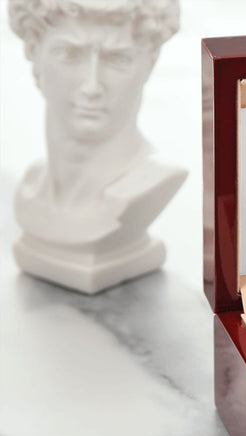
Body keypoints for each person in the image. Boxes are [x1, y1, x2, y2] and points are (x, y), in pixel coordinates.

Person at [8, 0, 186, 293]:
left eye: (118, 60)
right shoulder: (30, 186)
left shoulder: (152, 184)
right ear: (33, 51)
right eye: (68, 54)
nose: (91, 86)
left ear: (150, 62)